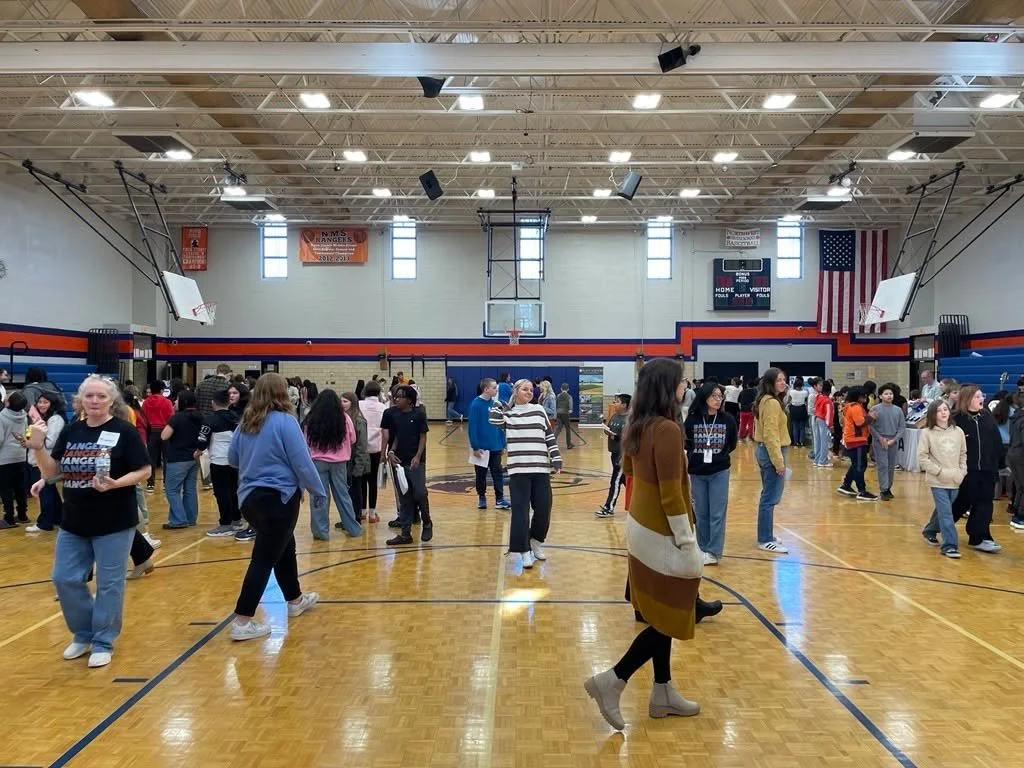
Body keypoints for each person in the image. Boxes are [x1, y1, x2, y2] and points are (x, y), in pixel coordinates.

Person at [583, 358, 701, 731]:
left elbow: (631, 475)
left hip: (640, 528)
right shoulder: (667, 429)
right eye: (681, 382)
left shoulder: (637, 425)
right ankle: (613, 679)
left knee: (659, 614)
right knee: (672, 616)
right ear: (669, 387)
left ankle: (663, 692)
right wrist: (687, 542)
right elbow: (671, 495)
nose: (685, 387)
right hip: (664, 532)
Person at [23, 374, 151, 667]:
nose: (95, 401)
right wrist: (38, 449)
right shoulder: (72, 431)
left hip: (114, 521)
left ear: (111, 401)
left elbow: (143, 470)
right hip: (75, 519)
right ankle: (83, 633)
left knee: (109, 584)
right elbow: (54, 469)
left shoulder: (123, 431)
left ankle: (103, 640)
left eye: (101, 396)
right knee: (64, 578)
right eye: (89, 396)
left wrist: (116, 484)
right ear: (80, 400)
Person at [228, 373, 325, 641]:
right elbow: (302, 462)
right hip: (279, 499)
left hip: (249, 500)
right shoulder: (286, 422)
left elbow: (232, 459)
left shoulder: (246, 422)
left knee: (285, 546)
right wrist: (318, 490)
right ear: (284, 393)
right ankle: (242, 620)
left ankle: (295, 600)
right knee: (263, 559)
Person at [489, 378, 562, 569]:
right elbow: (493, 418)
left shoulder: (539, 411)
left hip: (540, 469)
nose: (529, 392)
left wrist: (556, 458)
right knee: (520, 513)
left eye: (531, 389)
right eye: (524, 389)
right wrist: (500, 400)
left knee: (544, 509)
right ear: (516, 392)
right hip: (518, 471)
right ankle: (523, 551)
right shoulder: (508, 414)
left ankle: (536, 542)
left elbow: (549, 436)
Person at [684, 382, 738, 566]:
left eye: (720, 396)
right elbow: (687, 444)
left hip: (719, 471)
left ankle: (714, 551)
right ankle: (702, 548)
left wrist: (718, 456)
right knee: (701, 513)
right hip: (697, 472)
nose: (718, 399)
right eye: (714, 396)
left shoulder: (728, 419)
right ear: (704, 397)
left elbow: (732, 444)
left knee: (717, 513)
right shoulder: (692, 419)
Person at [949, 385, 1003, 553]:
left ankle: (980, 537)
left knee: (985, 503)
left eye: (982, 395)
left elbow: (996, 442)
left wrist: (998, 463)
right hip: (966, 471)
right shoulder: (956, 420)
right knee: (961, 502)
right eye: (978, 396)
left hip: (987, 470)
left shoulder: (987, 418)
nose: (982, 399)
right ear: (967, 399)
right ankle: (937, 526)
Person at [304, 389, 361, 540]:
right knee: (343, 495)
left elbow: (306, 441)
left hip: (317, 462)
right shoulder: (345, 418)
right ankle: (353, 528)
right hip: (339, 462)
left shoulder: (311, 419)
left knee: (319, 496)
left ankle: (320, 532)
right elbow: (353, 439)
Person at [381, 384, 432, 546]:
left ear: (409, 400)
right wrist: (391, 452)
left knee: (420, 492)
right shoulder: (394, 415)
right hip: (399, 462)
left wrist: (418, 456)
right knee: (404, 497)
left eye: (400, 396)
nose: (396, 398)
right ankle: (405, 534)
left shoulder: (418, 415)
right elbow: (396, 437)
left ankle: (427, 522)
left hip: (415, 461)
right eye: (396, 396)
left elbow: (423, 437)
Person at [918, 400, 968, 558]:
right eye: (939, 410)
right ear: (933, 414)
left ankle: (930, 529)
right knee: (947, 512)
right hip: (937, 480)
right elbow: (922, 458)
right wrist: (938, 472)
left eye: (945, 409)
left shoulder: (958, 431)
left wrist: (962, 471)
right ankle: (950, 545)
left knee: (943, 510)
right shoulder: (927, 433)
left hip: (955, 479)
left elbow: (963, 454)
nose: (944, 413)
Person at [752, 368, 790, 553]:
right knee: (769, 498)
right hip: (771, 452)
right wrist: (778, 461)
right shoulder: (771, 403)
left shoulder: (768, 401)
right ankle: (765, 539)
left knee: (768, 496)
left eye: (784, 379)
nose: (783, 383)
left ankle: (767, 534)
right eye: (779, 380)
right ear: (770, 383)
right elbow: (770, 434)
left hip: (766, 451)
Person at [198, 388, 243, 537]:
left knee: (221, 492)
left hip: (219, 462)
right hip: (236, 461)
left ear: (213, 403)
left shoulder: (210, 420)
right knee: (234, 491)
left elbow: (202, 441)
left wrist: (197, 451)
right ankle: (237, 519)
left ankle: (225, 523)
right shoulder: (236, 418)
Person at [160, 390, 203, 529]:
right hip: (194, 457)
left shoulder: (177, 418)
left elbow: (164, 436)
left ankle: (178, 520)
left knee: (172, 490)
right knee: (190, 489)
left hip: (178, 458)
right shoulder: (200, 417)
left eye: (177, 400)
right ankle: (191, 518)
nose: (175, 402)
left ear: (183, 402)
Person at [24, 392, 65, 532]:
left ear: (52, 404)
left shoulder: (55, 419)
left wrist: (37, 435)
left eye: (45, 402)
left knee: (45, 493)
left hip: (45, 461)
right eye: (40, 402)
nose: (41, 405)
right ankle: (58, 518)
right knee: (50, 492)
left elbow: (51, 441)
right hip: (38, 460)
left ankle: (44, 523)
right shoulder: (43, 419)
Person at [468, 378, 510, 511]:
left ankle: (500, 499)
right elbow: (472, 427)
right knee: (481, 474)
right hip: (482, 448)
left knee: (497, 473)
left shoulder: (496, 404)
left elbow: (501, 426)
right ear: (486, 389)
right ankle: (482, 497)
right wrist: (475, 446)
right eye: (494, 388)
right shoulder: (476, 404)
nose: (496, 390)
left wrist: (503, 444)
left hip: (496, 446)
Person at [837, 387, 876, 501]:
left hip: (855, 439)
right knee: (859, 466)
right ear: (857, 396)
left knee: (858, 465)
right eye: (863, 395)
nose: (865, 397)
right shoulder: (856, 407)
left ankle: (846, 485)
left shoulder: (853, 406)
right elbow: (859, 423)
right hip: (856, 440)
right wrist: (870, 417)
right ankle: (862, 491)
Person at [870, 384, 906, 501]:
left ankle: (888, 487)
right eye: (886, 394)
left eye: (890, 393)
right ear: (880, 396)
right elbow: (871, 426)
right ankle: (883, 489)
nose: (889, 396)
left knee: (891, 466)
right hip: (880, 440)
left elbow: (901, 428)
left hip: (893, 441)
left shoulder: (898, 410)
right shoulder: (875, 409)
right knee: (883, 465)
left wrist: (894, 440)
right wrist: (880, 438)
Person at [597, 393, 631, 518]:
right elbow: (610, 430)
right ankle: (638, 505)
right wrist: (606, 429)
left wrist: (618, 437)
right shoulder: (614, 416)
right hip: (614, 453)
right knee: (624, 480)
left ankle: (608, 507)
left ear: (624, 404)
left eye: (617, 402)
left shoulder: (630, 419)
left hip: (623, 456)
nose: (614, 404)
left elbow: (630, 437)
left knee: (615, 481)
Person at [0, 391, 29, 528]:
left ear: (9, 402)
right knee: (20, 487)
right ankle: (22, 515)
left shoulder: (1, 416)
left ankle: (9, 518)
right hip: (21, 455)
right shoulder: (24, 415)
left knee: (6, 489)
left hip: (4, 458)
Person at [359, 380, 386, 523]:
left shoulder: (358, 405)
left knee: (362, 480)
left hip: (361, 449)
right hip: (376, 448)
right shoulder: (383, 407)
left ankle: (362, 511)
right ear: (378, 392)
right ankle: (372, 514)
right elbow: (385, 431)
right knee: (373, 481)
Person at [342, 391, 371, 522]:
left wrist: (358, 467)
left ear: (352, 403)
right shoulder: (342, 419)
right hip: (345, 462)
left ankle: (356, 517)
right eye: (341, 401)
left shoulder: (359, 421)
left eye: (345, 401)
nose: (342, 404)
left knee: (356, 491)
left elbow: (362, 446)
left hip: (356, 462)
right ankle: (348, 518)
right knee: (347, 492)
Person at [141, 381, 173, 493]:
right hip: (165, 431)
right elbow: (171, 418)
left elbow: (143, 418)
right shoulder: (167, 402)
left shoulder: (145, 403)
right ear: (161, 390)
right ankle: (166, 483)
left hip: (151, 432)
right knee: (166, 458)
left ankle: (150, 484)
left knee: (151, 458)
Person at [812, 379, 835, 468]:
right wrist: (830, 425)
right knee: (824, 441)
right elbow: (828, 414)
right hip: (823, 421)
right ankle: (823, 461)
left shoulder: (819, 397)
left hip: (817, 419)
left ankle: (817, 459)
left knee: (818, 441)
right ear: (829, 391)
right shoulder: (827, 401)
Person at [787, 376, 809, 447]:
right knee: (802, 427)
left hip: (794, 409)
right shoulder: (805, 392)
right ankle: (802, 442)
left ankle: (795, 442)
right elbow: (806, 402)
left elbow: (789, 401)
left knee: (795, 427)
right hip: (802, 409)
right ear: (802, 385)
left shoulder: (791, 392)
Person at [554, 382, 574, 450]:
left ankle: (553, 442)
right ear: (568, 389)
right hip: (565, 413)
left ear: (561, 389)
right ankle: (569, 444)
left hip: (558, 413)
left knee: (558, 428)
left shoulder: (558, 396)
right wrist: (570, 410)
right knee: (567, 429)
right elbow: (570, 405)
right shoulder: (569, 396)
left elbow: (556, 404)